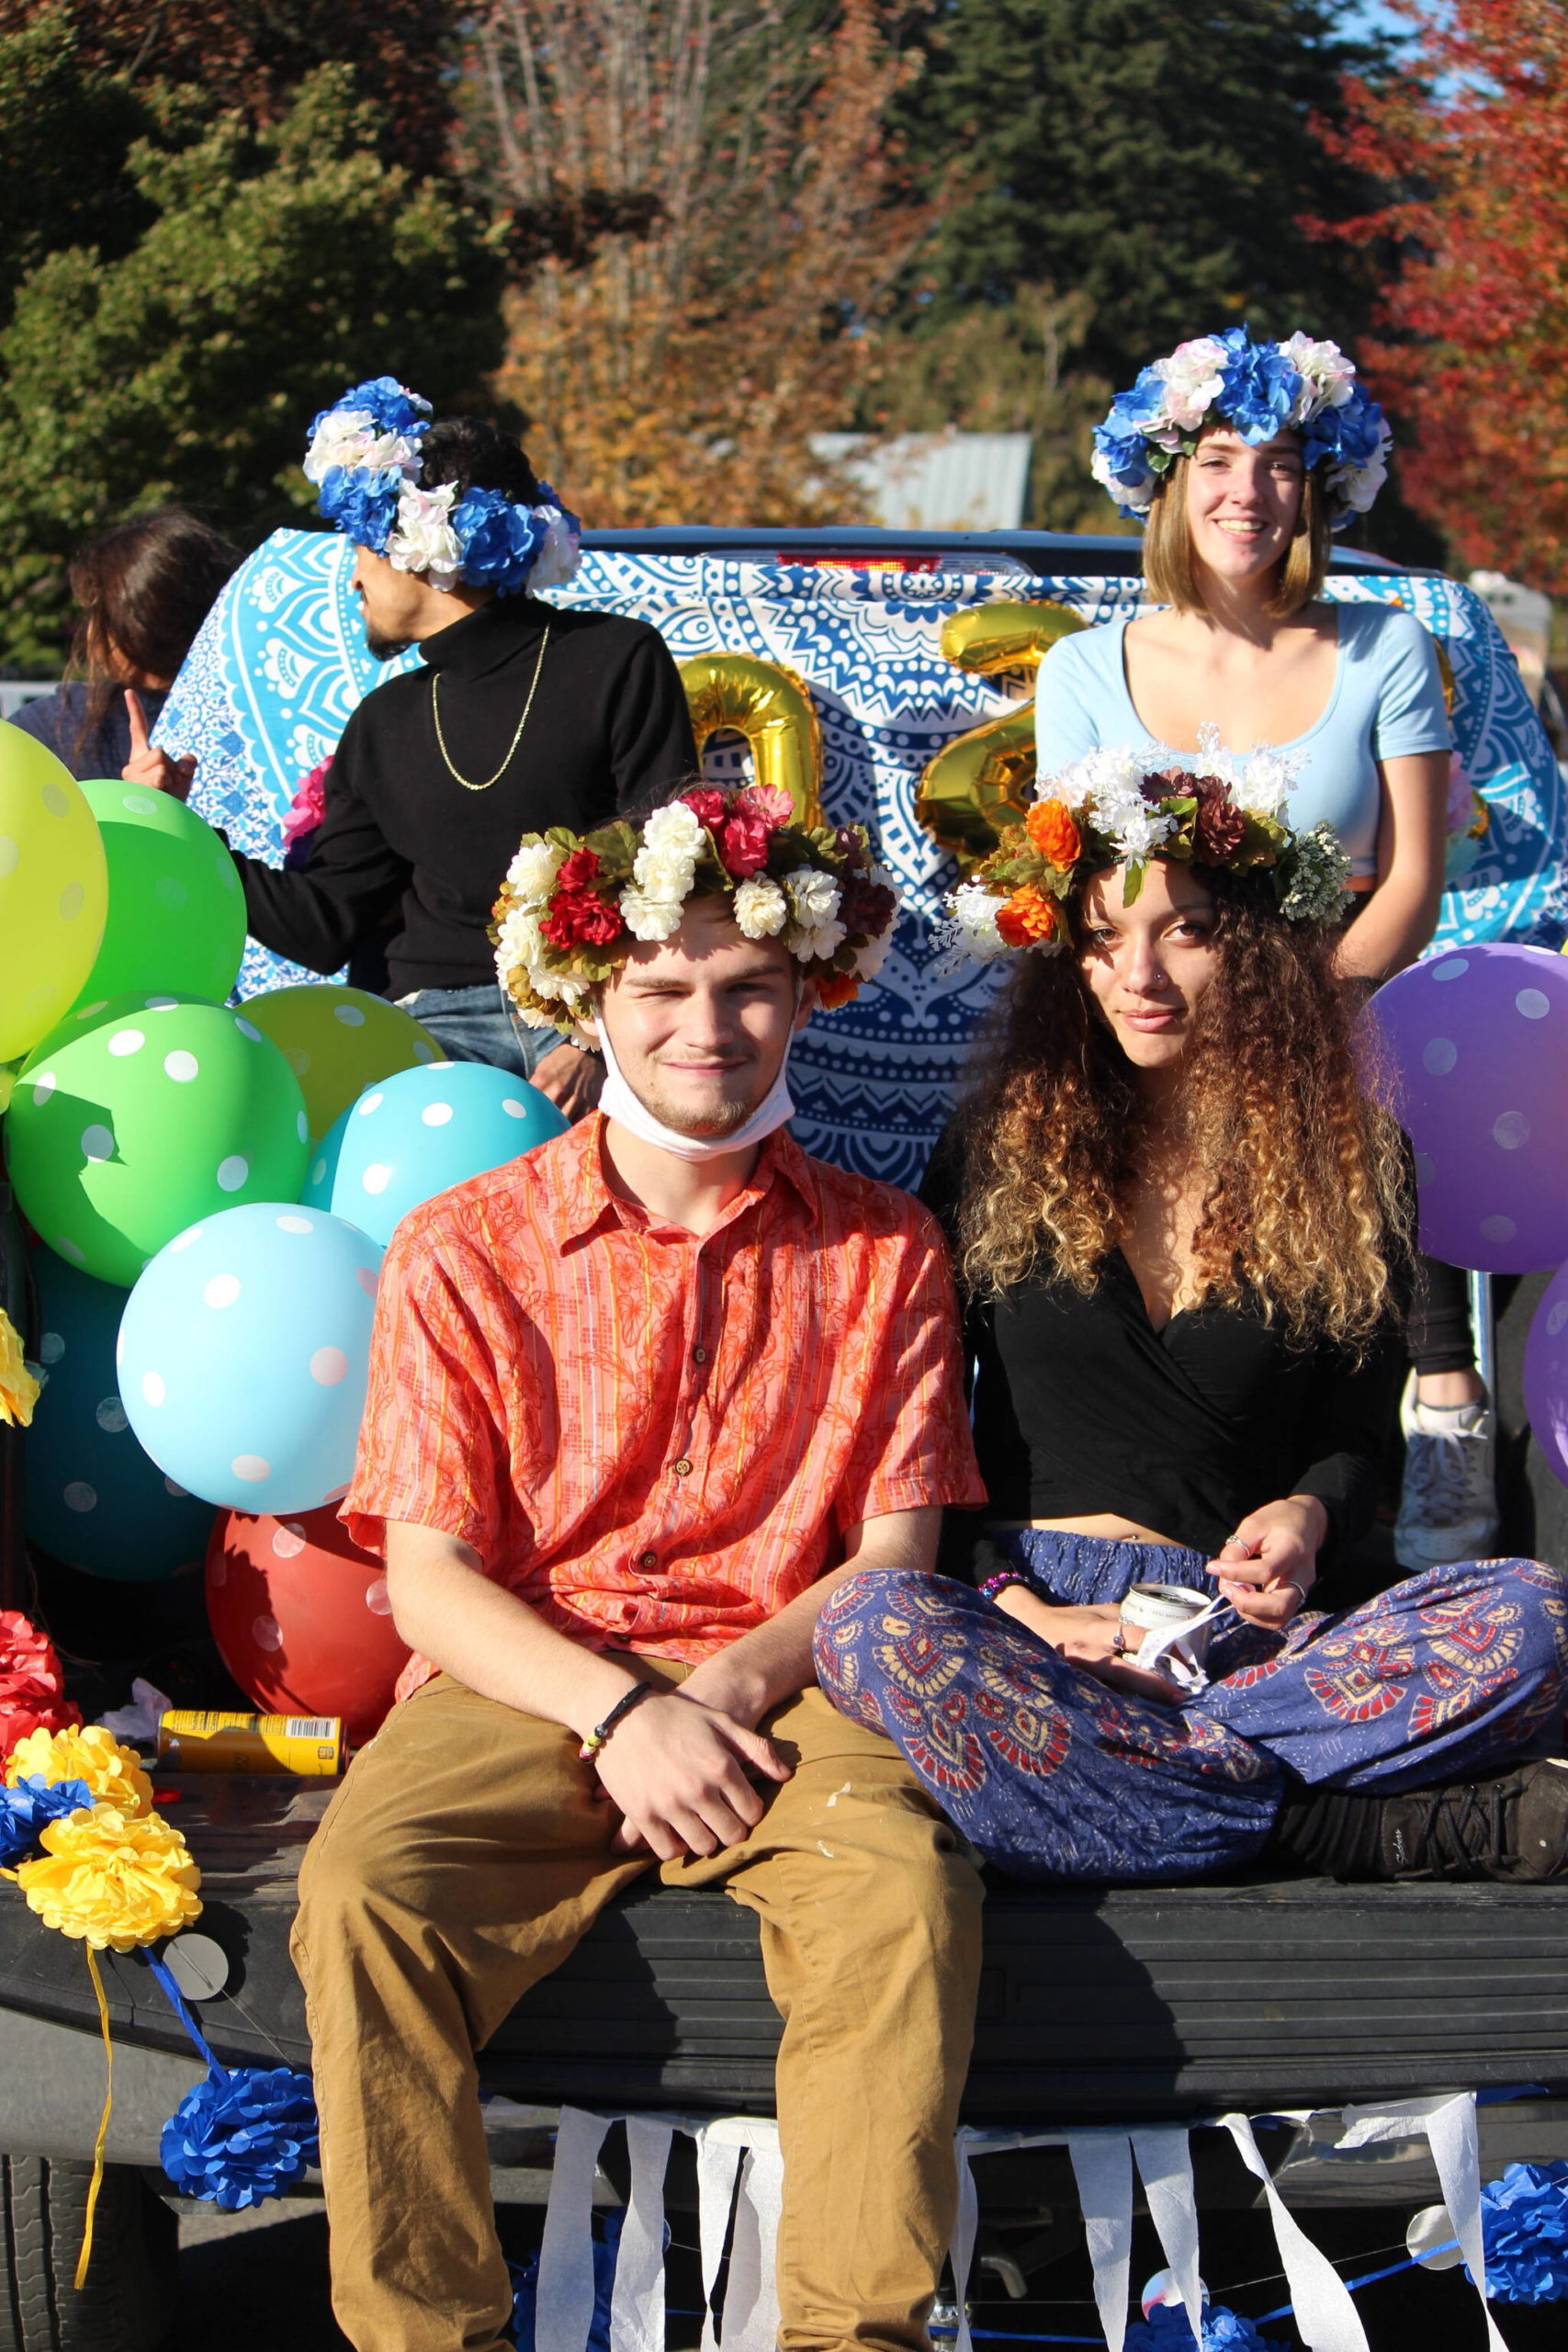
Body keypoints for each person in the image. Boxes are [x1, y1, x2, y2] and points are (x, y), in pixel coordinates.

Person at [291, 779, 988, 2352]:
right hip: (530, 1673)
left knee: (900, 1897)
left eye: (746, 985)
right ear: (590, 996)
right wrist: (623, 1715)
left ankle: (847, 2340)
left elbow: (892, 1552)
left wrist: (726, 1687)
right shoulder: (459, 1244)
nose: (706, 1024)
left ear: (806, 990)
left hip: (786, 1676)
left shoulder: (885, 1249)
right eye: (662, 987)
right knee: (360, 1894)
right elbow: (429, 1572)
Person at [814, 750, 1568, 1887]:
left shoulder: (1356, 1163)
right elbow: (912, 1438)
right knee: (870, 1629)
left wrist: (1310, 1519)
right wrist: (1019, 1607)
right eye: (1105, 937)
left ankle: (1127, 1793)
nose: (1140, 974)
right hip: (1024, 1625)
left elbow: (1362, 1438)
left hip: (1240, 1637)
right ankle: (1336, 1828)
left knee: (1541, 1615)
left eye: (1189, 930)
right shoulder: (1000, 1148)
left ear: (1259, 946)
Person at [1034, 327, 1494, 1576]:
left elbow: (1409, 877)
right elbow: (1076, 877)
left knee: (1384, 1104)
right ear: (1168, 479)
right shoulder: (1085, 665)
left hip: (1331, 994)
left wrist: (1308, 1004)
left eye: (1282, 461)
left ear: (1322, 483)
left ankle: (1436, 1395)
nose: (1249, 491)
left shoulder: (1383, 646)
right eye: (1219, 457)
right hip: (1145, 1002)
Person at [138, 378, 697, 1112]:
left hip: (599, 1021)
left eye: (362, 545)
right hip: (432, 1038)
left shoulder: (617, 658)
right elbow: (322, 926)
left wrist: (594, 1041)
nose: (353, 576)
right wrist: (181, 832)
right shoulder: (383, 721)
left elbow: (672, 862)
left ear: (418, 544)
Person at [8, 510, 238, 786]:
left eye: (97, 611)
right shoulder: (260, 718)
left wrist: (140, 812)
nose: (89, 630)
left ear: (138, 623)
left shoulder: (53, 727)